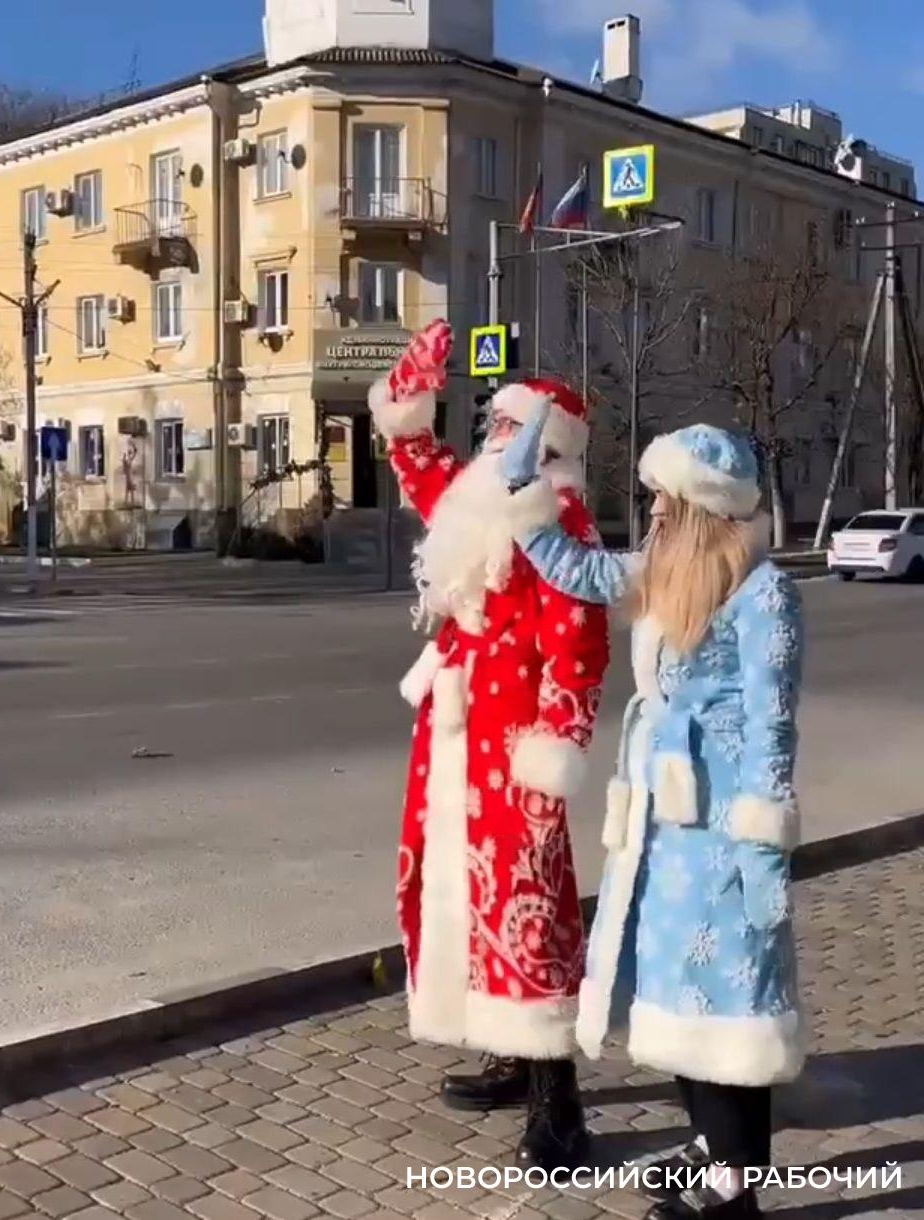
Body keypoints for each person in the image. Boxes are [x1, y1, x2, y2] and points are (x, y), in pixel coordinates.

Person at [499, 406, 805, 1219]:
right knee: (676, 999)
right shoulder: (664, 569)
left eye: (667, 501)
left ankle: (735, 1189)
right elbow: (577, 569)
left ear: (703, 505)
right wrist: (523, 488)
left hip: (727, 832)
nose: (654, 513)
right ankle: (710, 1150)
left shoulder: (765, 592)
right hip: (663, 835)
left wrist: (763, 850)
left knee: (732, 1007)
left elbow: (775, 726)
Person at [368, 321, 610, 1169]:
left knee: (528, 909)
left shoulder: (558, 514)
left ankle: (560, 1105)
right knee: (461, 900)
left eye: (510, 428)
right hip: (452, 740)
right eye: (493, 427)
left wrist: (552, 755)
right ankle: (509, 1054)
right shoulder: (477, 498)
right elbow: (418, 460)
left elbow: (578, 646)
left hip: (513, 751)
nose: (494, 439)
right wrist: (410, 387)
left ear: (548, 443)